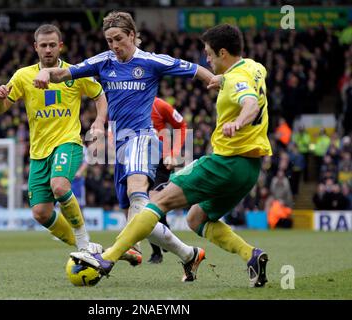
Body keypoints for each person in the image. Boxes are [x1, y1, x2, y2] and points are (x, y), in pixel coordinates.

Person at [70, 23, 272, 288]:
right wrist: (222, 79)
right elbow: (244, 85)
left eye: (209, 54)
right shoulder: (255, 68)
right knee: (196, 219)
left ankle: (107, 257)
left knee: (155, 202)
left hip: (224, 162)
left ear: (223, 53)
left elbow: (250, 103)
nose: (207, 60)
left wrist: (239, 122)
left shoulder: (233, 81)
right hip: (250, 170)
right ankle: (250, 255)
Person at [34, 11, 220, 281]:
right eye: (109, 40)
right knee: (137, 210)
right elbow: (65, 72)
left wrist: (215, 80)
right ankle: (189, 254)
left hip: (142, 138)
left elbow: (192, 68)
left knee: (137, 195)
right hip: (119, 147)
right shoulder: (104, 61)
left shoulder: (151, 61)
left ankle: (110, 256)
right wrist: (46, 73)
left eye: (118, 39)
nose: (114, 45)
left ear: (132, 36)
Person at [0, 24, 107, 253]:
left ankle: (84, 243)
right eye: (43, 45)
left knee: (60, 186)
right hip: (38, 153)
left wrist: (99, 122)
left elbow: (99, 95)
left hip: (67, 142)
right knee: (41, 213)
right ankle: (91, 248)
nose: (48, 50)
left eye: (52, 45)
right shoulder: (23, 75)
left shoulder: (75, 72)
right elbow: (0, 109)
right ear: (35, 47)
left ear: (60, 46)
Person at [148, 97, 188, 264]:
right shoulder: (128, 102)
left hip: (160, 162)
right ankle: (159, 246)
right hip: (138, 160)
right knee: (144, 205)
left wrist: (173, 153)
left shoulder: (159, 105)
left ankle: (161, 244)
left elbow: (181, 125)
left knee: (152, 202)